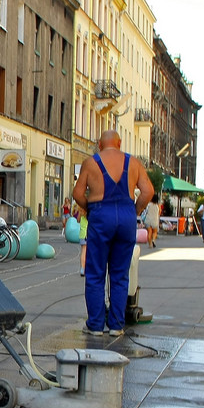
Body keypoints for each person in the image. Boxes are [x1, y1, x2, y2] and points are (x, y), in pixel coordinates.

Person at [72, 131, 153, 336]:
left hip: (100, 215)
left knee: (96, 273)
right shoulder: (133, 163)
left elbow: (77, 193)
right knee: (120, 275)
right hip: (126, 216)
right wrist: (134, 210)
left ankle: (96, 325)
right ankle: (117, 326)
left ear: (99, 144)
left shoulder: (91, 163)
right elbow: (148, 191)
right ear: (119, 143)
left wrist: (90, 210)